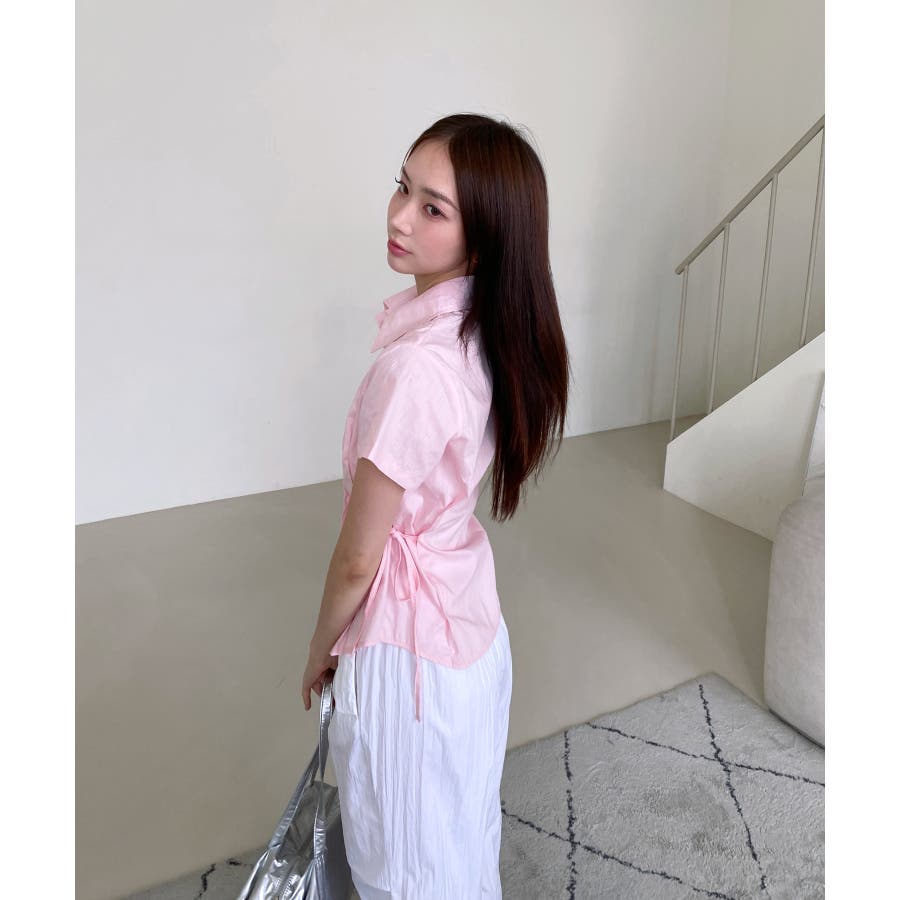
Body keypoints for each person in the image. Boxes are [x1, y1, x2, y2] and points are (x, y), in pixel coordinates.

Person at [300, 113, 571, 899]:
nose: (398, 217)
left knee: (400, 866)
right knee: (456, 836)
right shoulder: (490, 332)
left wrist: (321, 647)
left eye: (432, 208)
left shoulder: (416, 368)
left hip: (407, 657)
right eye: (402, 188)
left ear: (481, 238)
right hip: (470, 627)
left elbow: (360, 557)